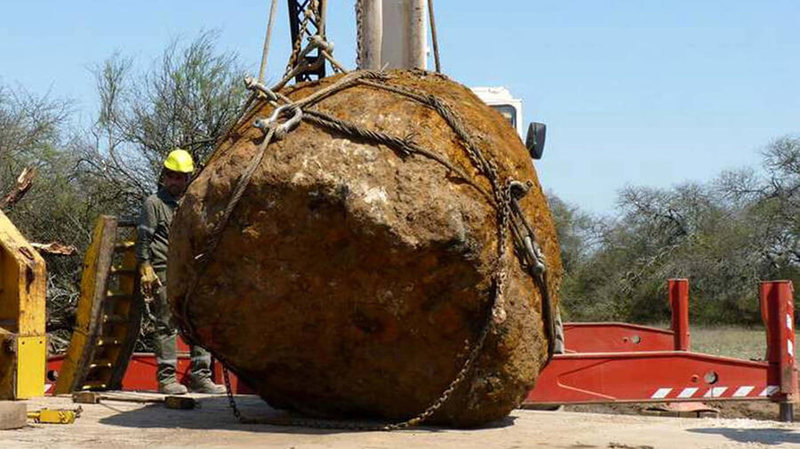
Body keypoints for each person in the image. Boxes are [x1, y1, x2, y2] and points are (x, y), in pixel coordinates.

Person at [136, 149, 225, 395]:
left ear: (188, 178)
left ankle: (200, 376)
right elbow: (144, 238)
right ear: (165, 176)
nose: (176, 182)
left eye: (181, 177)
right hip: (164, 271)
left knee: (197, 321)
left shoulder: (192, 202)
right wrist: (145, 266)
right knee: (166, 324)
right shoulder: (154, 204)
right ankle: (166, 380)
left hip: (190, 271)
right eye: (172, 176)